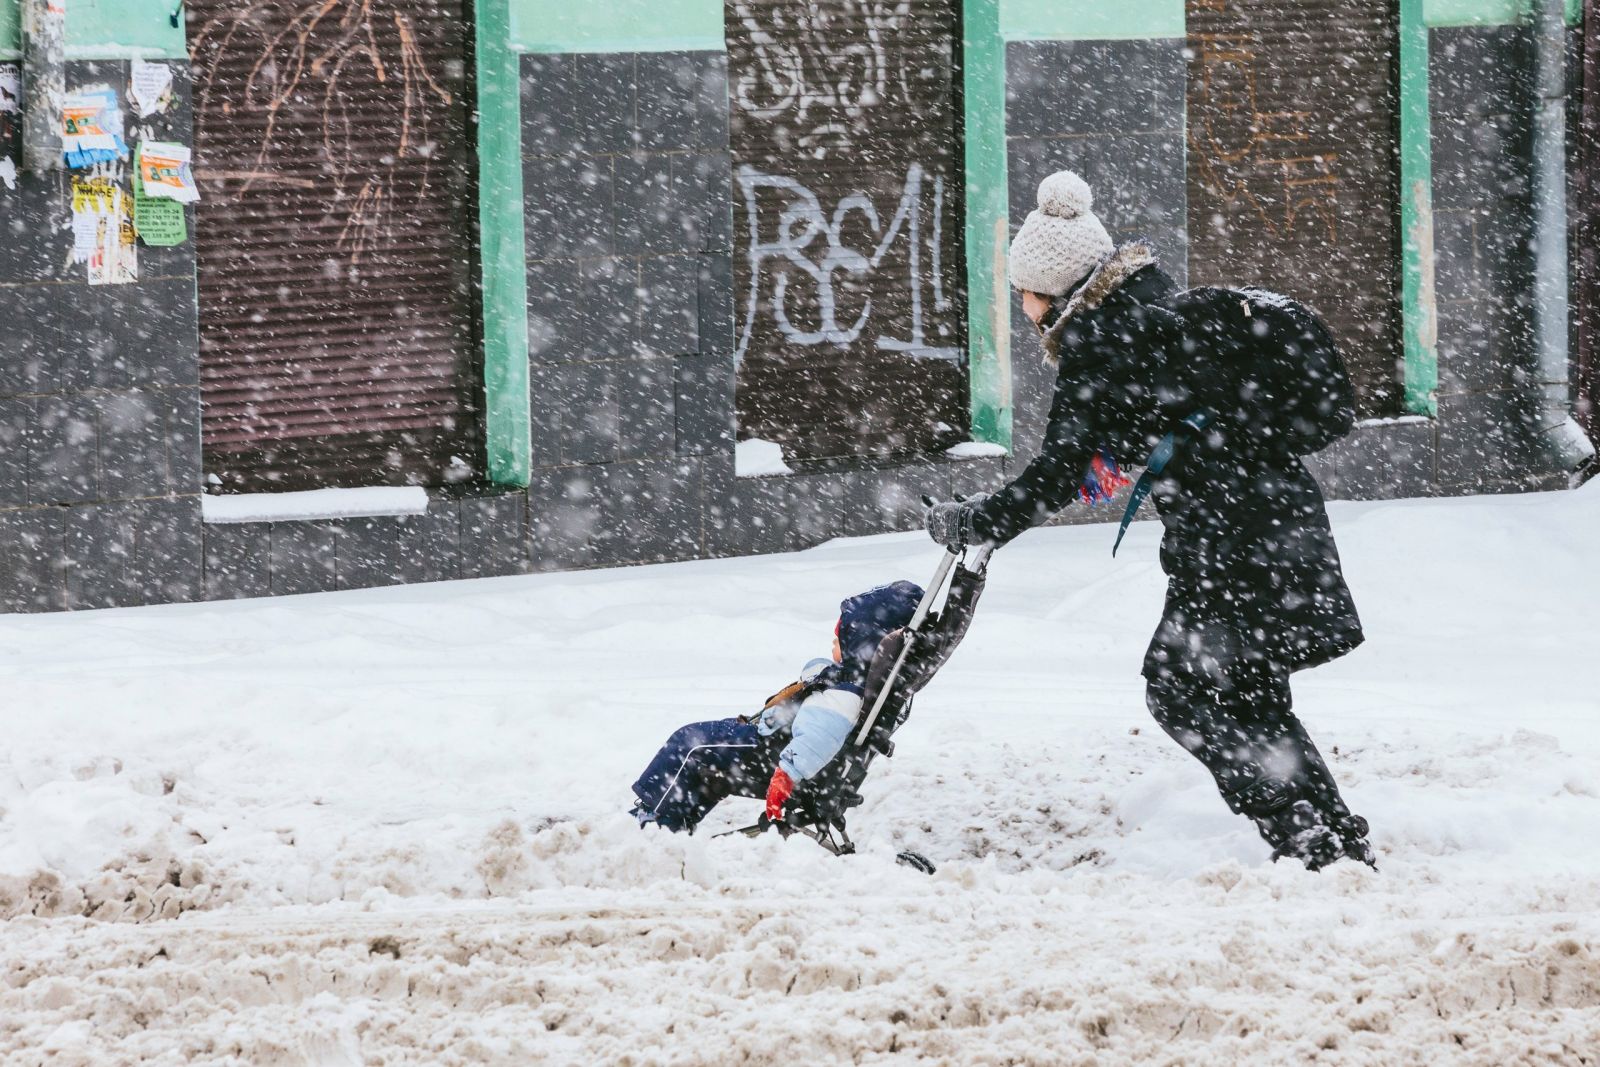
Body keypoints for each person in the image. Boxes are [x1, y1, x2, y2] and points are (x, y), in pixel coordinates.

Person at [923, 170, 1373, 870]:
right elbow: (1160, 420)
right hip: (1279, 518)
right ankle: (1331, 835)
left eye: (1024, 292)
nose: (1022, 305)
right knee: (1247, 695)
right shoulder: (1157, 306)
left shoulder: (1099, 342)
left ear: (1056, 287)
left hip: (1228, 538)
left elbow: (1058, 472)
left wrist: (982, 519)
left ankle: (1304, 831)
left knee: (1180, 687)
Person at [631, 581, 922, 833]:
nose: (834, 641)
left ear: (861, 643)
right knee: (707, 760)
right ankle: (672, 824)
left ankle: (654, 819)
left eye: (840, 638)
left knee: (689, 744)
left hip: (772, 753)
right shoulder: (855, 682)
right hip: (779, 745)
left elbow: (819, 736)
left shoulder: (843, 695)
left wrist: (785, 776)